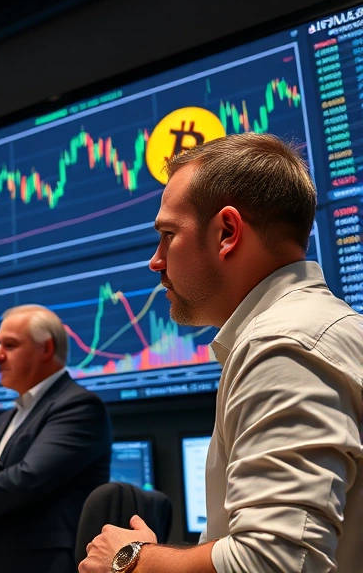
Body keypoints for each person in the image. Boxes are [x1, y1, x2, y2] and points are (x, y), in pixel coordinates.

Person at [80, 133, 363, 573]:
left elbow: (274, 562)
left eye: (168, 235)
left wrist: (131, 561)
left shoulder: (284, 348)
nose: (156, 261)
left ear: (227, 232)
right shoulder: (315, 329)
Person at [0, 305, 113, 573]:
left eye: (10, 345)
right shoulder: (10, 415)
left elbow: (29, 478)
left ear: (46, 349)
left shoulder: (80, 406)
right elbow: (1, 491)